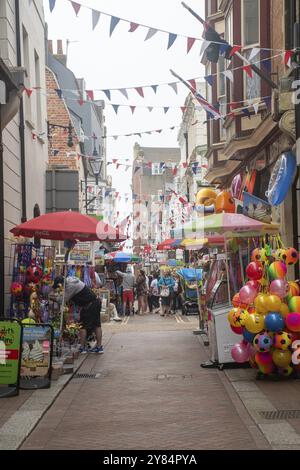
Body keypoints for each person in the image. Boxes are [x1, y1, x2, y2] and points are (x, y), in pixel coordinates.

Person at [52, 276, 104, 354]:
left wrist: (52, 297)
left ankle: (82, 348)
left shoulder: (70, 286)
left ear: (61, 284)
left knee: (83, 326)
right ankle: (99, 347)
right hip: (94, 302)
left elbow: (62, 300)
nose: (59, 289)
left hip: (90, 305)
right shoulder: (71, 280)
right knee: (96, 325)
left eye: (59, 287)